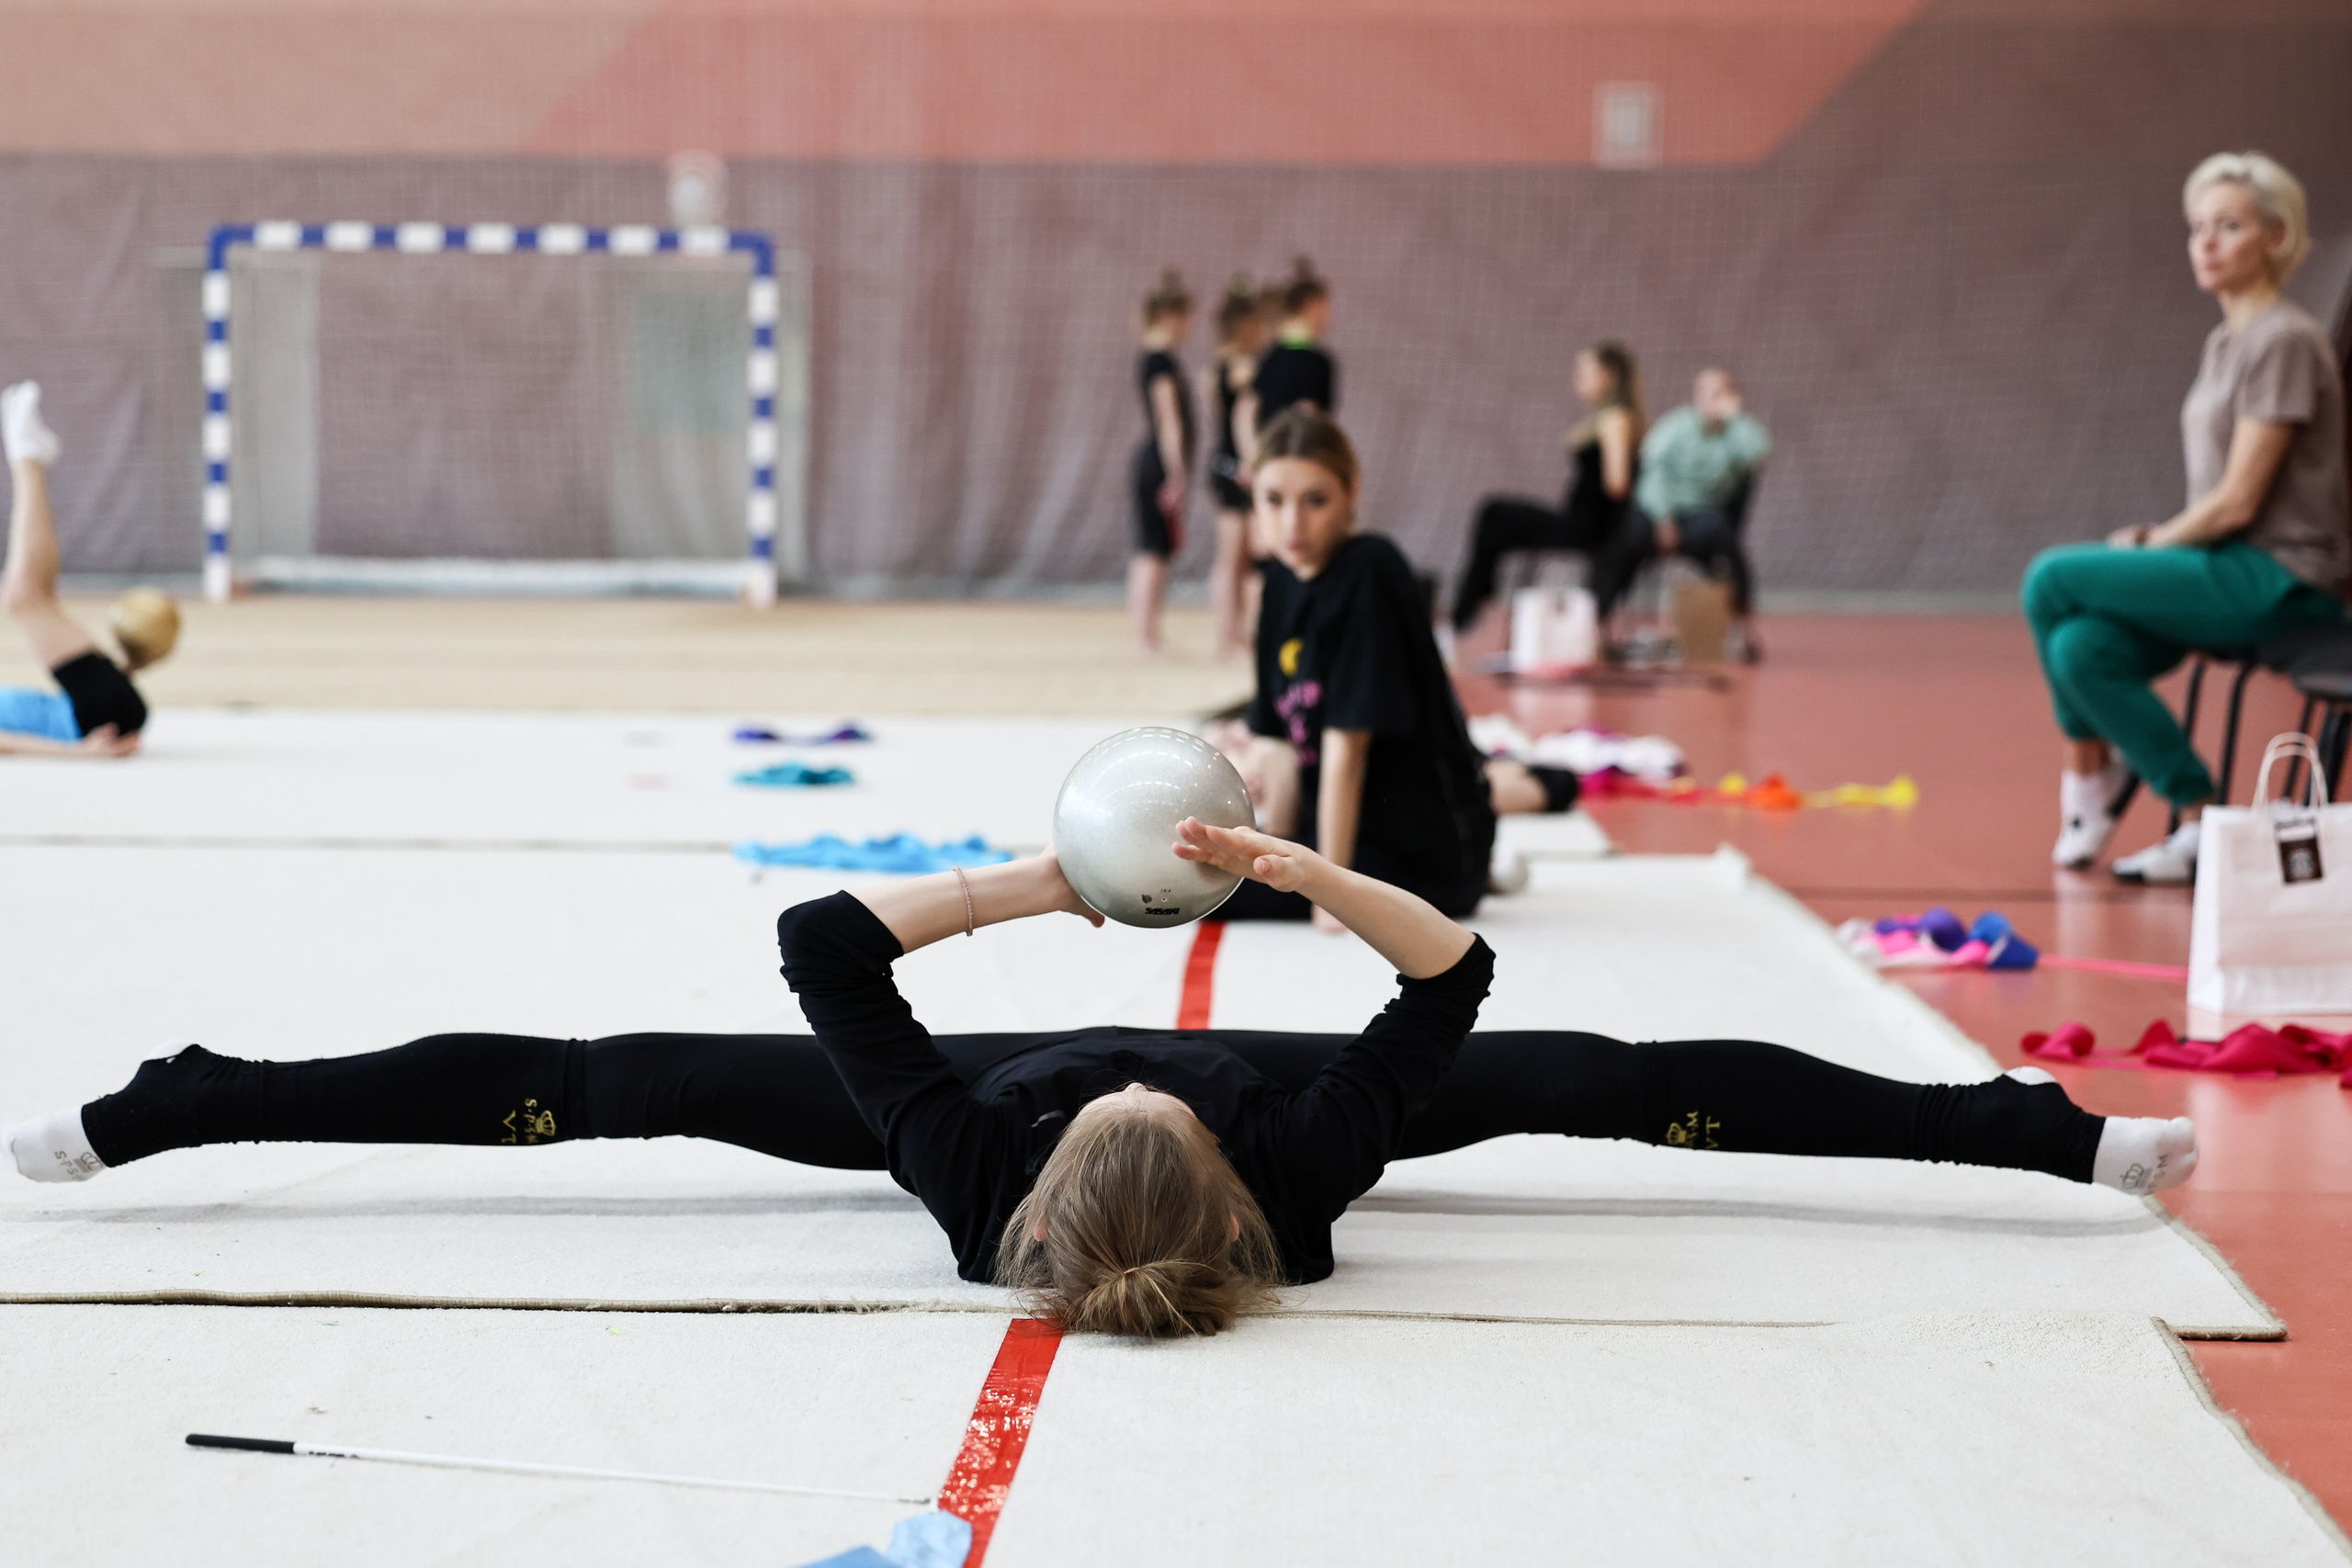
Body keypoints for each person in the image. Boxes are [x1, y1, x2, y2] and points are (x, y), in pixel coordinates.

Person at [5, 831, 2199, 1341]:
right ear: (1221, 1177)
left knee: (594, 1080)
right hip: (1286, 1059)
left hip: (963, 1062)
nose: (1136, 1084)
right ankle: (2042, 1130)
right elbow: (1458, 974)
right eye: (1158, 1114)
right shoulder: (1301, 1160)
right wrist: (1298, 877)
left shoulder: (971, 1168)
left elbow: (818, 945)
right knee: (1617, 1076)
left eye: (1111, 1117)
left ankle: (179, 1098)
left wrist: (1039, 883)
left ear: (1057, 1171)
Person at [2028, 152, 2347, 883]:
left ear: (2275, 236)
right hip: (2225, 568)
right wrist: (2161, 543)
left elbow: (2239, 501)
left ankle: (2088, 776)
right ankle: (2201, 815)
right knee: (2080, 648)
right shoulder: (2225, 342)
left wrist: (2151, 547)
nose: (2206, 242)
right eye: (2197, 226)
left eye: (2228, 225)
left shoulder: (2284, 340)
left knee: (2050, 579)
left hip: (2283, 578)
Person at [1230, 408, 1581, 928]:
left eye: (1315, 500)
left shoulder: (1370, 569)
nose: (1292, 525)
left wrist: (1328, 893)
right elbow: (1278, 744)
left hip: (1427, 851)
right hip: (1351, 833)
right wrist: (1273, 850)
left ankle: (1536, 798)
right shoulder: (1280, 584)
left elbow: (1348, 748)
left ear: (1351, 491)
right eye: (1274, 500)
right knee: (1212, 865)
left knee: (1203, 890)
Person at [1, 382, 175, 760]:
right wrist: (80, 753)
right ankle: (27, 459)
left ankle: (32, 458)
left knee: (39, 596)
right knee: (23, 599)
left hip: (93, 706)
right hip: (94, 719)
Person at [1449, 342, 1645, 635]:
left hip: (1586, 527)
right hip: (1578, 520)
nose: (1577, 379)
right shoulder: (1609, 418)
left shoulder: (1615, 419)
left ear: (1608, 376)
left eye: (1584, 372)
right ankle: (1476, 597)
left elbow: (1618, 484)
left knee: (1494, 513)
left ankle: (1464, 612)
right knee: (1494, 520)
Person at [1600, 367, 1772, 661]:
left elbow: (1760, 452)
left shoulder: (1736, 434)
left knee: (1727, 546)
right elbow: (1653, 475)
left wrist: (1735, 417)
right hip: (1658, 509)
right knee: (1623, 545)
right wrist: (1664, 519)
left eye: (1720, 393)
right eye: (1707, 392)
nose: (1712, 399)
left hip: (1702, 516)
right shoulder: (1674, 426)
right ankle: (1600, 624)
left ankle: (1743, 625)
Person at [1126, 271, 1196, 659]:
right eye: (1184, 318)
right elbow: (1170, 421)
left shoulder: (1155, 358)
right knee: (1152, 551)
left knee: (1155, 551)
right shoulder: (1160, 361)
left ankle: (1149, 632)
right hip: (1157, 464)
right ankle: (1144, 636)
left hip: (1154, 463)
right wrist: (1176, 472)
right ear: (1169, 315)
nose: (1187, 328)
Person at [1204, 276, 1268, 662]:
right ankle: (1230, 639)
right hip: (1235, 469)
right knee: (1233, 561)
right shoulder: (1241, 366)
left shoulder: (1217, 365)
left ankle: (1235, 637)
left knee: (1236, 560)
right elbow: (1243, 417)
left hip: (1224, 464)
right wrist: (1251, 464)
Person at [1251, 258, 1336, 429]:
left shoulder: (1268, 357)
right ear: (1313, 306)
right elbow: (1313, 417)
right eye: (1325, 308)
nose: (1329, 316)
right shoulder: (1315, 362)